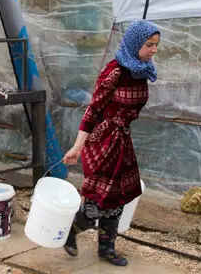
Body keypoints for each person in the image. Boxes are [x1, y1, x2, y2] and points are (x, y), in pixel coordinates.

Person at [61, 19, 160, 267]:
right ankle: (71, 232)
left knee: (118, 199)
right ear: (135, 43)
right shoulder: (114, 71)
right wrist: (77, 146)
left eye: (156, 45)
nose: (154, 50)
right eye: (149, 45)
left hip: (121, 141)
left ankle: (106, 248)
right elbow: (92, 111)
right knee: (98, 200)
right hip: (102, 142)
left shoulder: (140, 71)